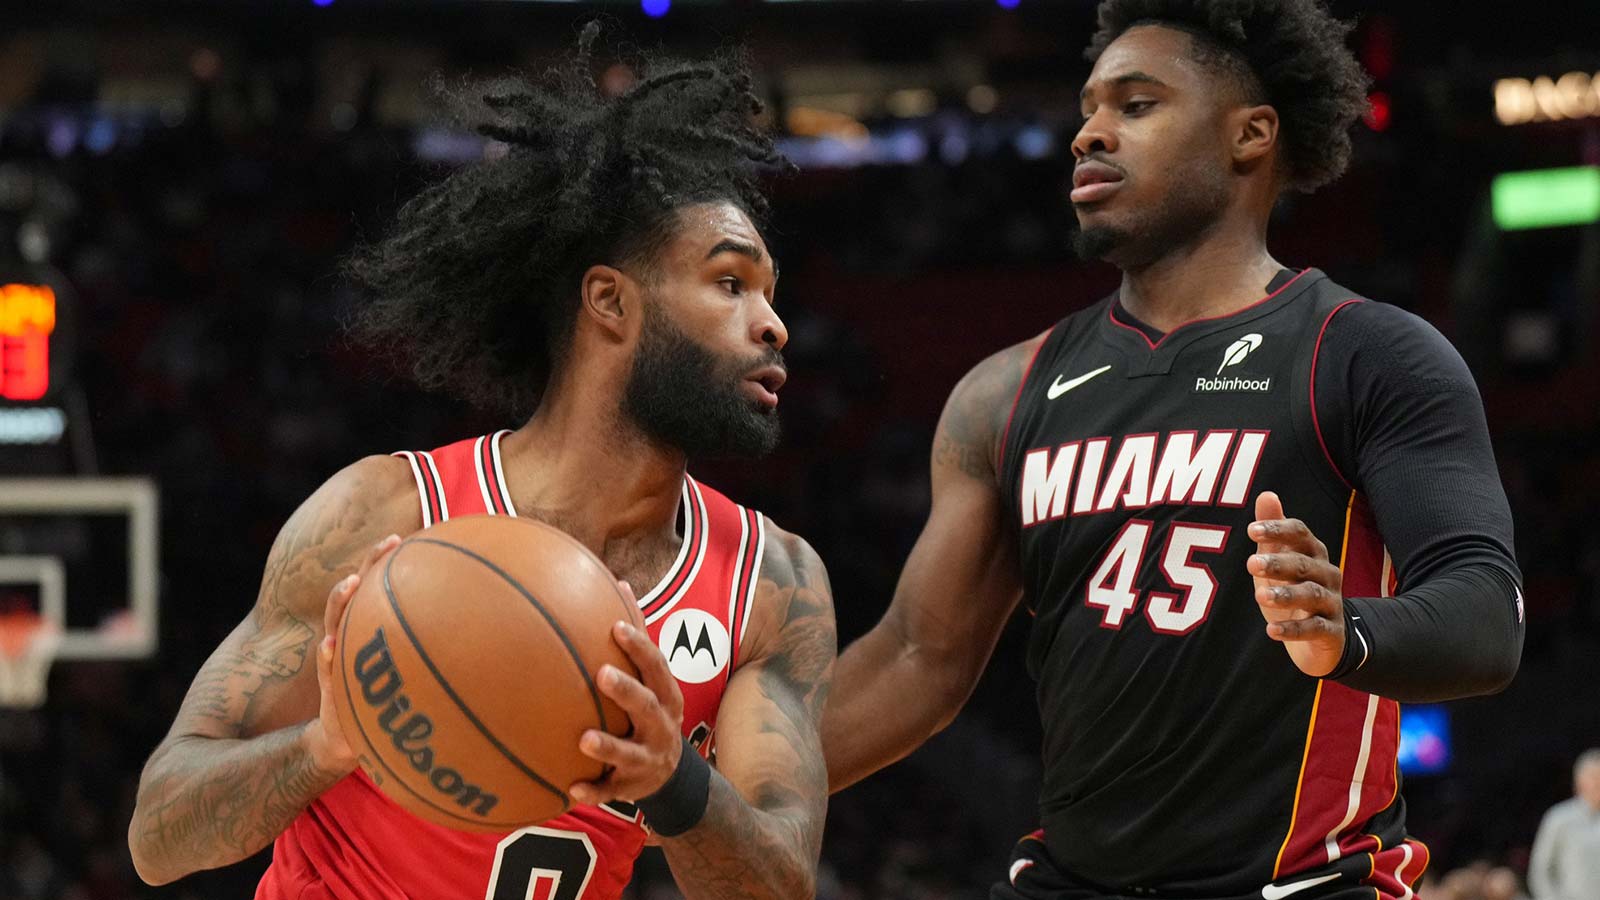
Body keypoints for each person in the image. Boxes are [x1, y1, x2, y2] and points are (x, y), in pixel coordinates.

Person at [821, 1, 1524, 898]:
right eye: (1087, 109)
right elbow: (919, 657)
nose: (1089, 134)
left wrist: (1344, 630)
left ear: (1251, 136)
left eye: (1136, 105)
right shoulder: (1004, 392)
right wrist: (691, 792)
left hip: (1301, 884)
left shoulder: (1365, 352)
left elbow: (1486, 614)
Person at [128, 29, 833, 900]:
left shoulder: (772, 583)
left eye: (771, 293)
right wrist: (327, 745)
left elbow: (784, 885)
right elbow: (158, 836)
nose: (773, 325)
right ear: (610, 301)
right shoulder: (386, 514)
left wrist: (673, 780)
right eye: (732, 284)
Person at [1528, 750, 1600, 900]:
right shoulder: (1559, 819)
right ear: (1580, 782)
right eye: (1594, 777)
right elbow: (1540, 871)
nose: (1598, 783)